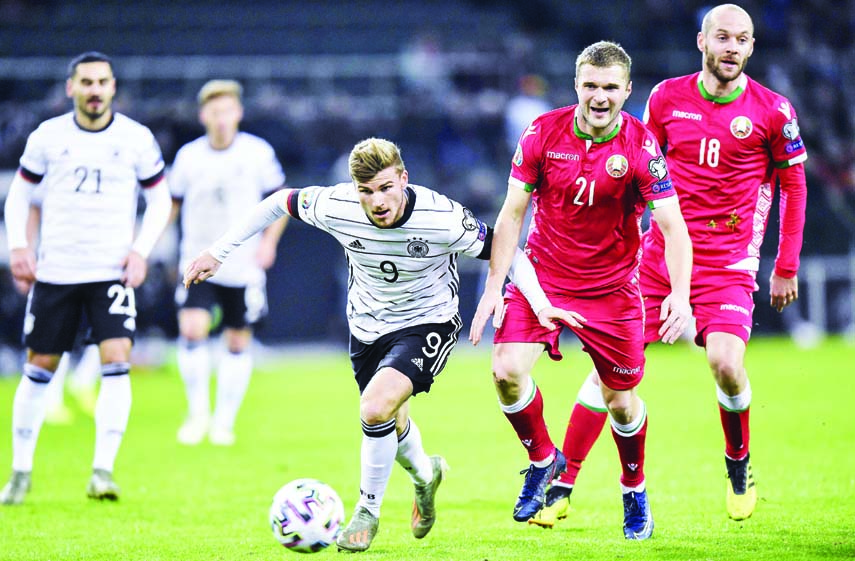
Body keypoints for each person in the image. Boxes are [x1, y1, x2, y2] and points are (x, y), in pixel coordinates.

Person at [183, 137, 578, 552]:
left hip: (429, 322)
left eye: (386, 187)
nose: (377, 201)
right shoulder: (337, 205)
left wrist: (540, 303)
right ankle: (426, 476)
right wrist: (218, 252)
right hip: (367, 326)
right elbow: (280, 201)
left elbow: (507, 248)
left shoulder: (439, 216)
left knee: (374, 406)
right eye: (366, 191)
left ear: (403, 179)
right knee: (391, 419)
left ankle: (366, 513)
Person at [534, 3, 808, 526]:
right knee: (610, 374)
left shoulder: (774, 111)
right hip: (659, 255)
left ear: (752, 47)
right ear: (701, 41)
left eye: (742, 39)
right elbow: (641, 163)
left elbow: (793, 186)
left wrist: (786, 264)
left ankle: (737, 463)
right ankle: (562, 484)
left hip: (728, 260)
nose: (732, 47)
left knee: (726, 363)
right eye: (722, 37)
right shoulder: (665, 97)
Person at [469, 41, 693, 540]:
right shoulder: (542, 133)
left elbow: (674, 227)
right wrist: (493, 286)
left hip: (612, 291)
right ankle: (544, 460)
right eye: (590, 85)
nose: (599, 96)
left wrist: (680, 292)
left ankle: (633, 489)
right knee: (505, 371)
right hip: (544, 276)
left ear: (626, 90)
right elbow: (510, 214)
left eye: (610, 88)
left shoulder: (640, 146)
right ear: (576, 85)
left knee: (620, 401)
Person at [0, 51, 172, 505]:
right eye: (86, 82)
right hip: (57, 271)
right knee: (39, 367)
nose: (95, 90)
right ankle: (19, 472)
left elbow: (160, 199)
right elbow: (19, 194)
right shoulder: (48, 137)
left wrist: (140, 252)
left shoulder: (136, 139)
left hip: (111, 271)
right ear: (70, 88)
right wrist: (18, 245)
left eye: (102, 82)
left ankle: (102, 472)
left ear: (113, 87)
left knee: (117, 360)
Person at [170, 79, 288, 446]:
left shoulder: (257, 153)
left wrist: (269, 243)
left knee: (238, 341)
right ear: (204, 115)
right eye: (214, 111)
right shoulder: (188, 156)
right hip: (197, 261)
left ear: (238, 112)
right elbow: (171, 204)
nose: (221, 118)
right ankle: (197, 416)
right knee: (192, 329)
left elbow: (279, 203)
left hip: (242, 264)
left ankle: (224, 421)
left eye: (228, 110)